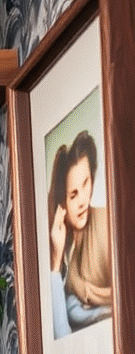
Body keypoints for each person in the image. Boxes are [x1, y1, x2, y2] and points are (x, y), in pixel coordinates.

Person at [48, 129, 111, 334]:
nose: (83, 200)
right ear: (61, 204)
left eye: (86, 183)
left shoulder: (104, 224)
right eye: (73, 195)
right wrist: (56, 261)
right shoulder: (66, 249)